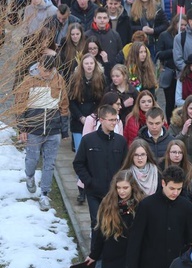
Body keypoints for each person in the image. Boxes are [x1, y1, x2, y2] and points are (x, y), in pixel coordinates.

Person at [126, 166, 192, 268]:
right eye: (172, 188)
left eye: (179, 189)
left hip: (177, 267)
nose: (175, 193)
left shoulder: (186, 206)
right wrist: (131, 267)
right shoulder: (147, 205)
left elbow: (191, 238)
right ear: (163, 183)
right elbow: (136, 237)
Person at [17, 55, 70, 211]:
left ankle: (44, 194)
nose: (47, 73)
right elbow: (20, 105)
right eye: (45, 69)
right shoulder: (28, 81)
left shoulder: (59, 80)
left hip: (53, 130)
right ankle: (29, 176)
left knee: (50, 163)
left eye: (50, 70)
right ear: (39, 66)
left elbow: (64, 105)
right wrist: (22, 129)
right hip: (34, 129)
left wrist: (64, 129)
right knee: (32, 159)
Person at [74, 103, 127, 241]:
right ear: (101, 120)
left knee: (114, 223)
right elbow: (78, 163)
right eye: (110, 120)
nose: (113, 123)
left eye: (115, 120)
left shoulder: (121, 142)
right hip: (94, 192)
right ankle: (95, 256)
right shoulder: (88, 140)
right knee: (96, 224)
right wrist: (89, 181)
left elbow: (125, 166)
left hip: (114, 193)